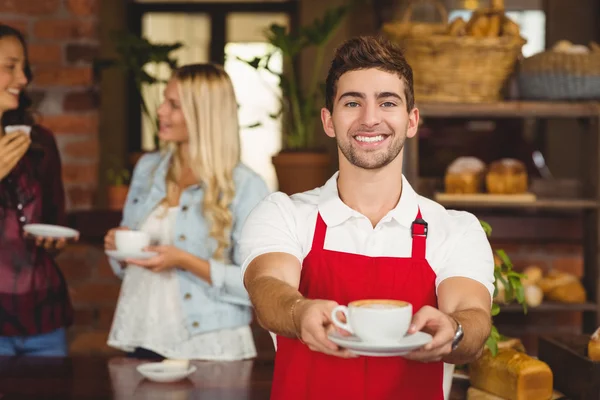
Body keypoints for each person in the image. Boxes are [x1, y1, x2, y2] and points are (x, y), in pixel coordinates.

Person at [240, 36, 495, 399]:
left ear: (412, 120)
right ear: (329, 121)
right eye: (352, 102)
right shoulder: (284, 214)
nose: (370, 118)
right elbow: (267, 288)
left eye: (387, 102)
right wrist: (299, 312)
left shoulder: (455, 229)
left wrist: (453, 330)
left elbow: (473, 316)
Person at [104, 63, 270, 361]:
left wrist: (184, 260)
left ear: (203, 115)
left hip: (209, 343)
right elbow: (126, 264)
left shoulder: (247, 186)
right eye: (164, 101)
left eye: (174, 105)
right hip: (142, 334)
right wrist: (116, 245)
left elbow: (258, 286)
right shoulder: (148, 169)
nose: (160, 112)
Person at [0, 24, 77, 356]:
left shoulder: (39, 141)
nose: (22, 79)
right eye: (9, 66)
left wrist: (54, 239)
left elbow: (52, 218)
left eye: (23, 67)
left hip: (43, 316)